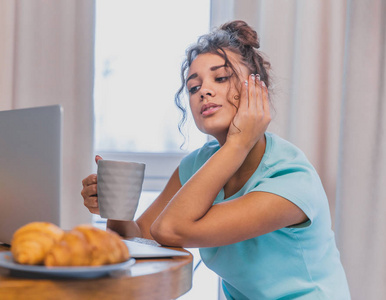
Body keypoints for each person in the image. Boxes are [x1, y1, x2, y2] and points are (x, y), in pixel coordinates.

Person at [82, 20, 350, 299]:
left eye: (220, 78)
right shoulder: (197, 165)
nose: (204, 92)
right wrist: (114, 206)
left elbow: (169, 230)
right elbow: (141, 240)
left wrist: (238, 143)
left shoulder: (291, 180)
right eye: (193, 87)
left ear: (259, 89)